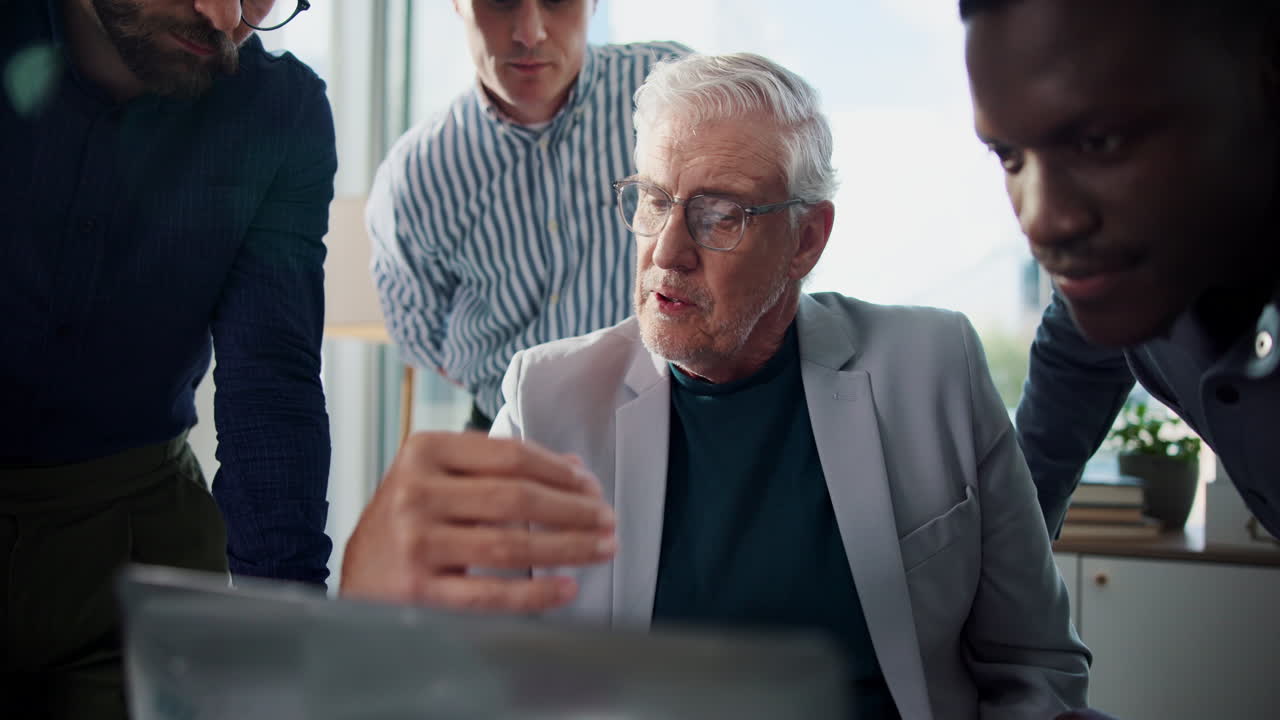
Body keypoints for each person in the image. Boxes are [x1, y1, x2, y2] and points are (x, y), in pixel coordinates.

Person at [345, 52, 1090, 719]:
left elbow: (1035, 664)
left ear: (806, 240)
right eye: (654, 200)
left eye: (719, 214)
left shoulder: (933, 367)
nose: (668, 251)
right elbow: (456, 677)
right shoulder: (547, 399)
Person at [1, 0, 335, 715]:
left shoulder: (279, 112)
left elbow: (269, 387)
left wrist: (286, 639)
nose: (227, 16)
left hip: (142, 547)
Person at [961, 0, 1280, 540]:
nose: (1042, 220)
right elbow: (1067, 386)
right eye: (1008, 156)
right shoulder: (1118, 284)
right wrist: (1001, 563)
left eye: (1100, 142)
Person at [367, 0, 688, 431]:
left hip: (674, 419)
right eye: (501, 2)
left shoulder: (671, 92)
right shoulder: (416, 172)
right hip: (509, 429)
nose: (530, 33)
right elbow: (420, 332)